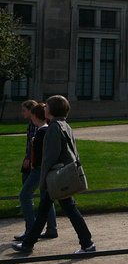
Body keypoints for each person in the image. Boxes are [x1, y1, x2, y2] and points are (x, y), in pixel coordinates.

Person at [12, 95, 95, 254]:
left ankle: (87, 244)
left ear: (52, 110)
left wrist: (43, 180)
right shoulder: (64, 125)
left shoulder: (53, 128)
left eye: (46, 106)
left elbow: (49, 157)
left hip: (56, 177)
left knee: (62, 210)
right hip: (63, 174)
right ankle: (29, 243)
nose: (44, 108)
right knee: (49, 210)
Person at [16, 103, 58, 241]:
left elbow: (40, 154)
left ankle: (31, 230)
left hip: (39, 169)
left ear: (34, 115)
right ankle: (51, 229)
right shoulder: (48, 129)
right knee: (46, 199)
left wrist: (32, 160)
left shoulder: (41, 130)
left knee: (24, 196)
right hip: (45, 169)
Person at [20, 100, 38, 186]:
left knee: (26, 182)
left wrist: (28, 158)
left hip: (31, 156)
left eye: (24, 110)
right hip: (31, 155)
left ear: (30, 111)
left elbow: (32, 141)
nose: (22, 113)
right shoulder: (33, 122)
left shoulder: (33, 123)